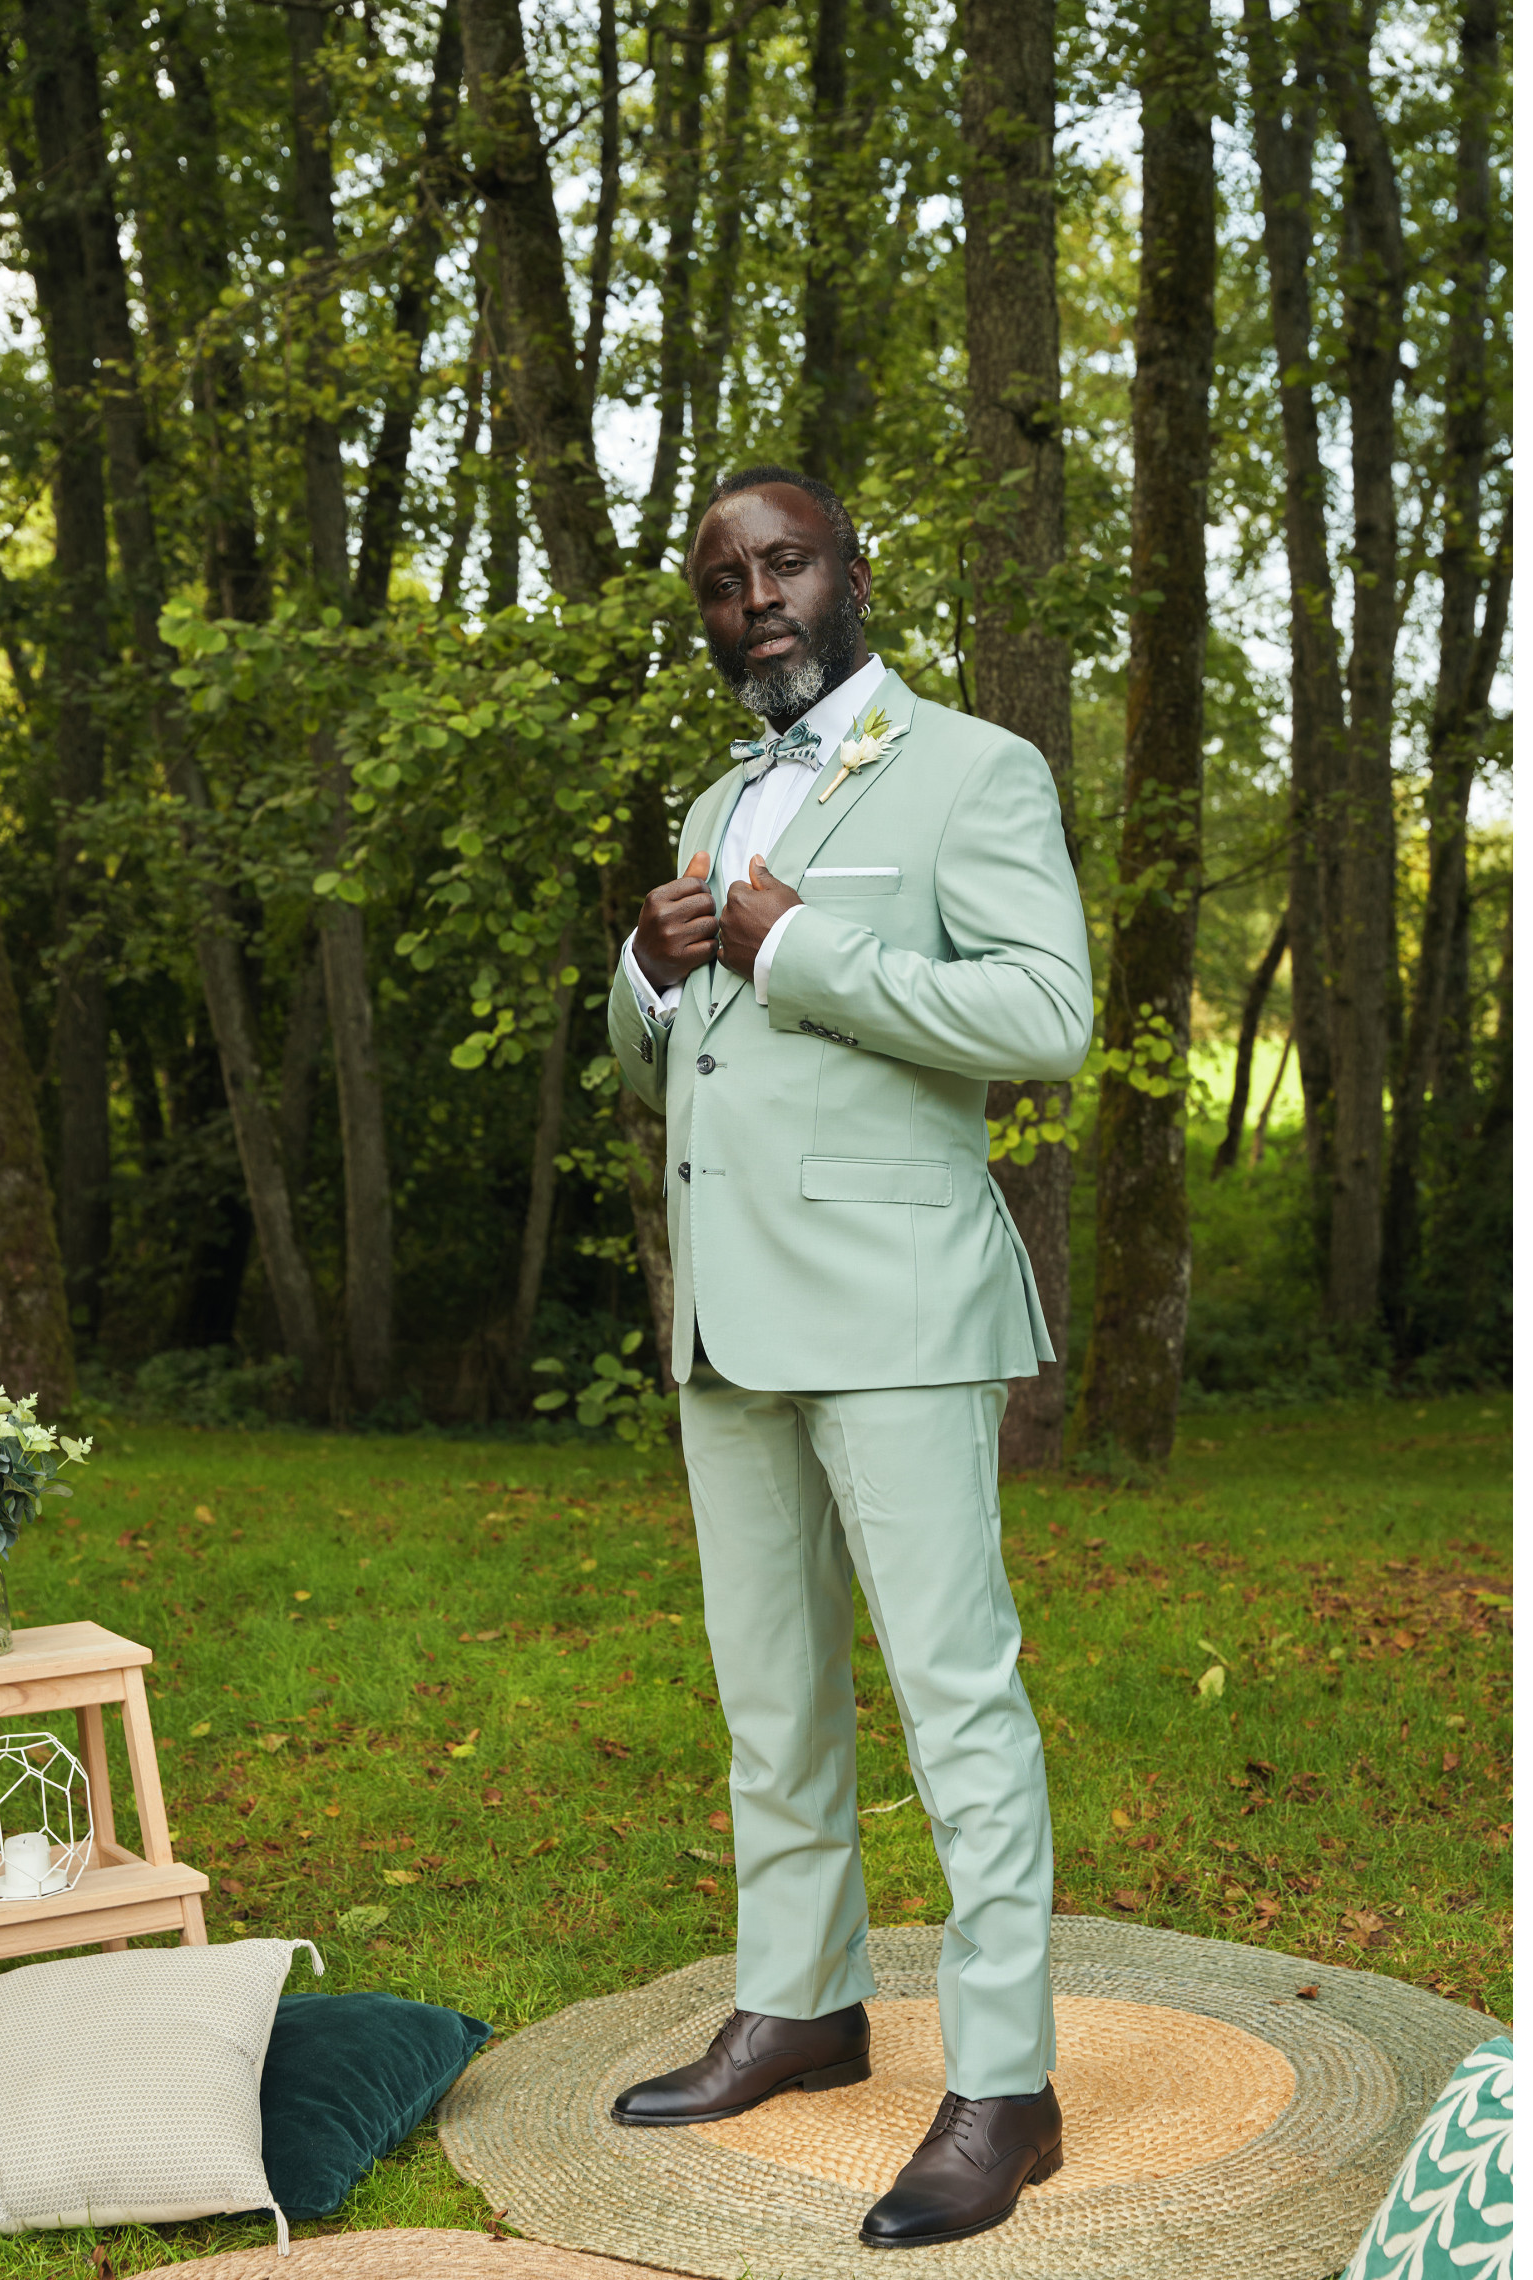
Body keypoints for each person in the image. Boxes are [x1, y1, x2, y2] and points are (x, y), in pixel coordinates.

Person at [604, 464, 1092, 2251]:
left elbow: (1046, 1017)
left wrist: (800, 941)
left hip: (898, 1307)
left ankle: (1005, 2085)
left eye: (786, 563)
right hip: (730, 1320)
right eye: (726, 583)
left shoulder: (975, 768)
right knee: (769, 1694)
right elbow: (681, 1062)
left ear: (850, 570)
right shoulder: (714, 794)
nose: (759, 603)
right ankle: (801, 2004)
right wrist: (646, 979)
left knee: (958, 1704)